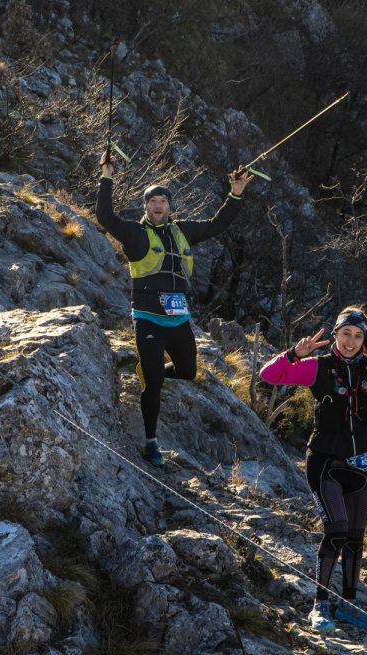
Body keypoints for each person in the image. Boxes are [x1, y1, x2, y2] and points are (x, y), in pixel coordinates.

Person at [96, 150, 253, 465]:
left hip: (179, 319)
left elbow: (217, 224)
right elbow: (105, 216)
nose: (158, 205)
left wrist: (235, 194)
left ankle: (150, 369)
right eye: (153, 201)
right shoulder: (135, 233)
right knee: (154, 382)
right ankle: (151, 442)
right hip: (148, 319)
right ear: (145, 206)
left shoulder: (182, 231)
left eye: (163, 201)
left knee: (188, 372)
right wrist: (107, 176)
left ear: (169, 207)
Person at [260, 307, 367, 633]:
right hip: (324, 462)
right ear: (335, 334)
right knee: (336, 528)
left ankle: (348, 606)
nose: (351, 341)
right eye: (345, 334)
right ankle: (320, 606)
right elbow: (269, 374)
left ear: (364, 339)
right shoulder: (318, 367)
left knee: (355, 537)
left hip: (361, 463)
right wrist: (294, 354)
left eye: (358, 336)